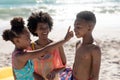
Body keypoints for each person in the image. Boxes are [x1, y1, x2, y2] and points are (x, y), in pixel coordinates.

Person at [2, 17, 73, 80]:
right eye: (27, 38)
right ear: (17, 41)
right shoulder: (22, 55)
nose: (30, 40)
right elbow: (45, 51)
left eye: (29, 38)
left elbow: (15, 71)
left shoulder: (21, 52)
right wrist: (64, 40)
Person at [27, 11, 67, 80]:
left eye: (46, 27)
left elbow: (64, 66)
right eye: (41, 28)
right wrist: (37, 76)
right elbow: (27, 68)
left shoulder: (57, 45)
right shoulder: (30, 47)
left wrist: (54, 72)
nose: (45, 30)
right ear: (35, 30)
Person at [72, 11, 101, 80]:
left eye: (78, 27)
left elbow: (95, 75)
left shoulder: (94, 49)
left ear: (89, 27)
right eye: (74, 27)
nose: (74, 30)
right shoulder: (78, 44)